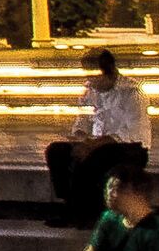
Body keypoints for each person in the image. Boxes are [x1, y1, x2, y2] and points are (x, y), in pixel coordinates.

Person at [46, 49, 150, 220]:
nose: (90, 81)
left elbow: (130, 133)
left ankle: (87, 210)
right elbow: (82, 122)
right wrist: (81, 140)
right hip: (94, 144)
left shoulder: (132, 92)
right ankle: (68, 201)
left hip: (129, 148)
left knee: (98, 157)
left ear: (109, 73)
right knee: (56, 151)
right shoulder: (90, 91)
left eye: (95, 75)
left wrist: (92, 146)